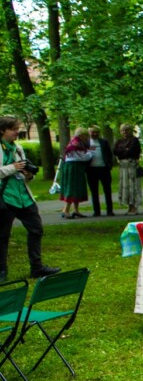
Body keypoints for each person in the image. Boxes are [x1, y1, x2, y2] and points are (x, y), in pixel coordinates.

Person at [0, 116, 59, 284]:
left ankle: (37, 267)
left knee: (36, 229)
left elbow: (25, 174)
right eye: (13, 129)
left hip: (24, 197)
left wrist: (28, 174)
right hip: (5, 197)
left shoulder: (18, 148)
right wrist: (13, 168)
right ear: (2, 130)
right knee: (2, 235)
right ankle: (2, 270)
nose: (17, 132)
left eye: (17, 129)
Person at [59, 127, 92, 219]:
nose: (87, 137)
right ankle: (65, 210)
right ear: (81, 135)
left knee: (76, 189)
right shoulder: (76, 144)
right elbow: (82, 157)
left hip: (75, 167)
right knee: (72, 188)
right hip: (73, 168)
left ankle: (76, 210)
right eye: (86, 135)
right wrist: (90, 154)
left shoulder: (76, 142)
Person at [113, 124, 142, 215]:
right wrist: (125, 150)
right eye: (123, 130)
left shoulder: (134, 140)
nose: (125, 132)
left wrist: (123, 151)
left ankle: (134, 207)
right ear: (120, 132)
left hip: (131, 166)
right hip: (123, 167)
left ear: (130, 131)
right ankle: (129, 207)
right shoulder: (119, 141)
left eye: (127, 130)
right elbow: (115, 151)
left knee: (132, 186)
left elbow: (132, 151)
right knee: (125, 187)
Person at [86, 126, 115, 217]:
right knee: (94, 191)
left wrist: (109, 165)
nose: (95, 134)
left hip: (104, 168)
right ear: (89, 133)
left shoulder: (104, 142)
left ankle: (109, 210)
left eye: (96, 132)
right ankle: (96, 211)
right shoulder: (86, 143)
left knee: (107, 190)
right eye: (92, 132)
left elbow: (109, 154)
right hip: (91, 170)